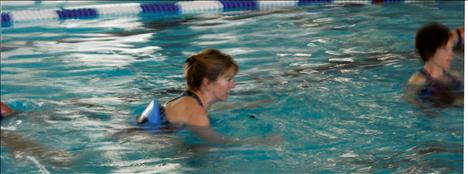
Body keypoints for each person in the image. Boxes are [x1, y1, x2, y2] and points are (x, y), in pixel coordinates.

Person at [136, 48, 280, 146]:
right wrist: (261, 141)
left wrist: (252, 105)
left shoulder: (192, 101)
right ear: (207, 83)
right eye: (228, 79)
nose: (233, 85)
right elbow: (217, 142)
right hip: (146, 141)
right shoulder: (196, 112)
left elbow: (221, 108)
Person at [406, 22, 464, 107]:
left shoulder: (455, 76)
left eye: (451, 49)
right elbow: (411, 104)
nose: (451, 54)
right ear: (429, 52)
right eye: (445, 49)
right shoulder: (417, 82)